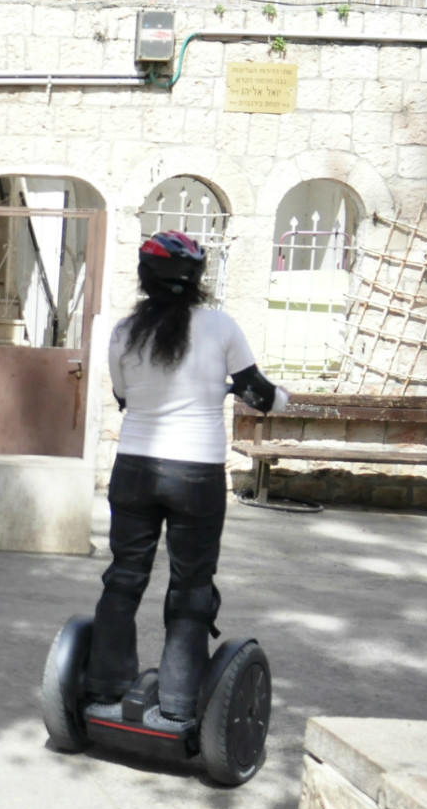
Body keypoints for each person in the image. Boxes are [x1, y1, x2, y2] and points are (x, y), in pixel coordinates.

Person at [88, 231, 289, 722]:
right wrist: (282, 399)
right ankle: (179, 699)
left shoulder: (123, 333)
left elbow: (123, 398)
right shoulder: (221, 327)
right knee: (191, 581)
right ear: (198, 280)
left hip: (134, 468)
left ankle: (107, 683)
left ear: (143, 278)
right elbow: (258, 393)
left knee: (125, 576)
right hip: (195, 474)